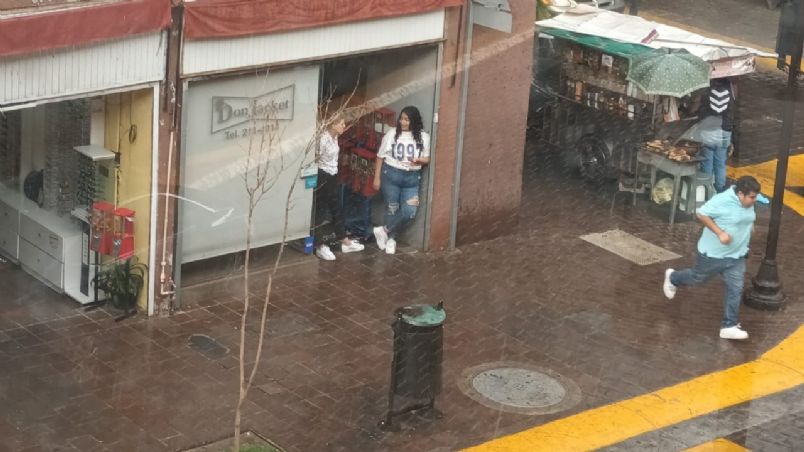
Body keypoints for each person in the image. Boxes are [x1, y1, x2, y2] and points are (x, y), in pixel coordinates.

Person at [662, 175, 761, 340]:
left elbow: (746, 217)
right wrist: (720, 233)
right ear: (741, 194)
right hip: (714, 255)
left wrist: (749, 226)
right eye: (751, 197)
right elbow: (701, 214)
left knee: (735, 289)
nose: (754, 201)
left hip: (736, 255)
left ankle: (729, 325)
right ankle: (673, 278)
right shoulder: (723, 200)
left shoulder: (749, 202)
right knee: (697, 278)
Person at [372, 106, 431, 255]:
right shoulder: (392, 133)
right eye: (401, 118)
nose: (403, 122)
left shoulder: (424, 137)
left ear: (414, 121)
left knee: (409, 212)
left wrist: (419, 160)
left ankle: (384, 230)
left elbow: (427, 158)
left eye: (406, 119)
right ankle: (391, 239)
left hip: (412, 178)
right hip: (391, 174)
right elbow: (380, 156)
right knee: (392, 208)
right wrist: (376, 178)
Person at [313, 116, 364, 261]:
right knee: (321, 210)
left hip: (332, 174)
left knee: (336, 207)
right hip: (323, 175)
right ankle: (320, 245)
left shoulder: (334, 138)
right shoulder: (323, 139)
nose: (344, 125)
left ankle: (343, 239)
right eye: (341, 123)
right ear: (332, 124)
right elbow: (315, 157)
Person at [697, 78, 737, 193]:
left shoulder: (708, 91)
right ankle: (719, 188)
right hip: (725, 131)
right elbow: (731, 113)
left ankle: (707, 190)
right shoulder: (730, 91)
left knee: (707, 161)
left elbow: (702, 112)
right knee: (720, 163)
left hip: (709, 131)